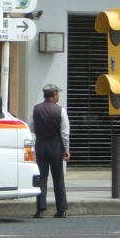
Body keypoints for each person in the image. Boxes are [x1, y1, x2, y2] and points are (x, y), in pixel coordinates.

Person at [29, 83, 70, 219]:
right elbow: (64, 133)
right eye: (57, 93)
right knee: (58, 178)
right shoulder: (60, 110)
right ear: (54, 95)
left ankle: (40, 209)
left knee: (41, 178)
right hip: (56, 145)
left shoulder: (36, 109)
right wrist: (66, 150)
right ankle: (61, 210)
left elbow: (32, 127)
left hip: (40, 145)